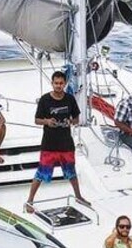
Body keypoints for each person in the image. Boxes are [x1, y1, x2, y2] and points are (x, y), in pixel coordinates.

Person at [25, 71, 89, 212]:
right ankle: (29, 200)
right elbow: (37, 120)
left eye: (61, 83)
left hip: (66, 143)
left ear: (65, 84)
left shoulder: (70, 99)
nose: (58, 86)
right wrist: (47, 121)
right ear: (52, 83)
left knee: (71, 172)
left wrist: (70, 121)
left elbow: (76, 119)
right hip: (49, 144)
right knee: (41, 173)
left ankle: (78, 196)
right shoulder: (45, 99)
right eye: (56, 83)